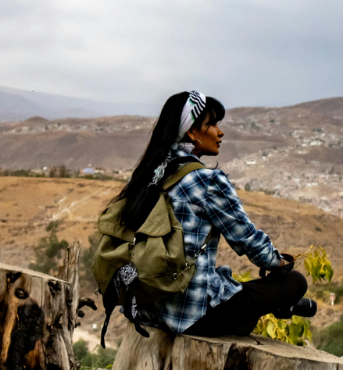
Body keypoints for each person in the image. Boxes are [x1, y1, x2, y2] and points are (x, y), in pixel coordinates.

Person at [109, 90, 316, 337]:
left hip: (145, 309)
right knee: (295, 283)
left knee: (227, 287)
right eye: (213, 124)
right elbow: (247, 239)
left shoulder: (148, 174)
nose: (220, 132)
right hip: (189, 318)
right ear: (191, 132)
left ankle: (277, 308)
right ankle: (284, 305)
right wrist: (280, 262)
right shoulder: (205, 181)